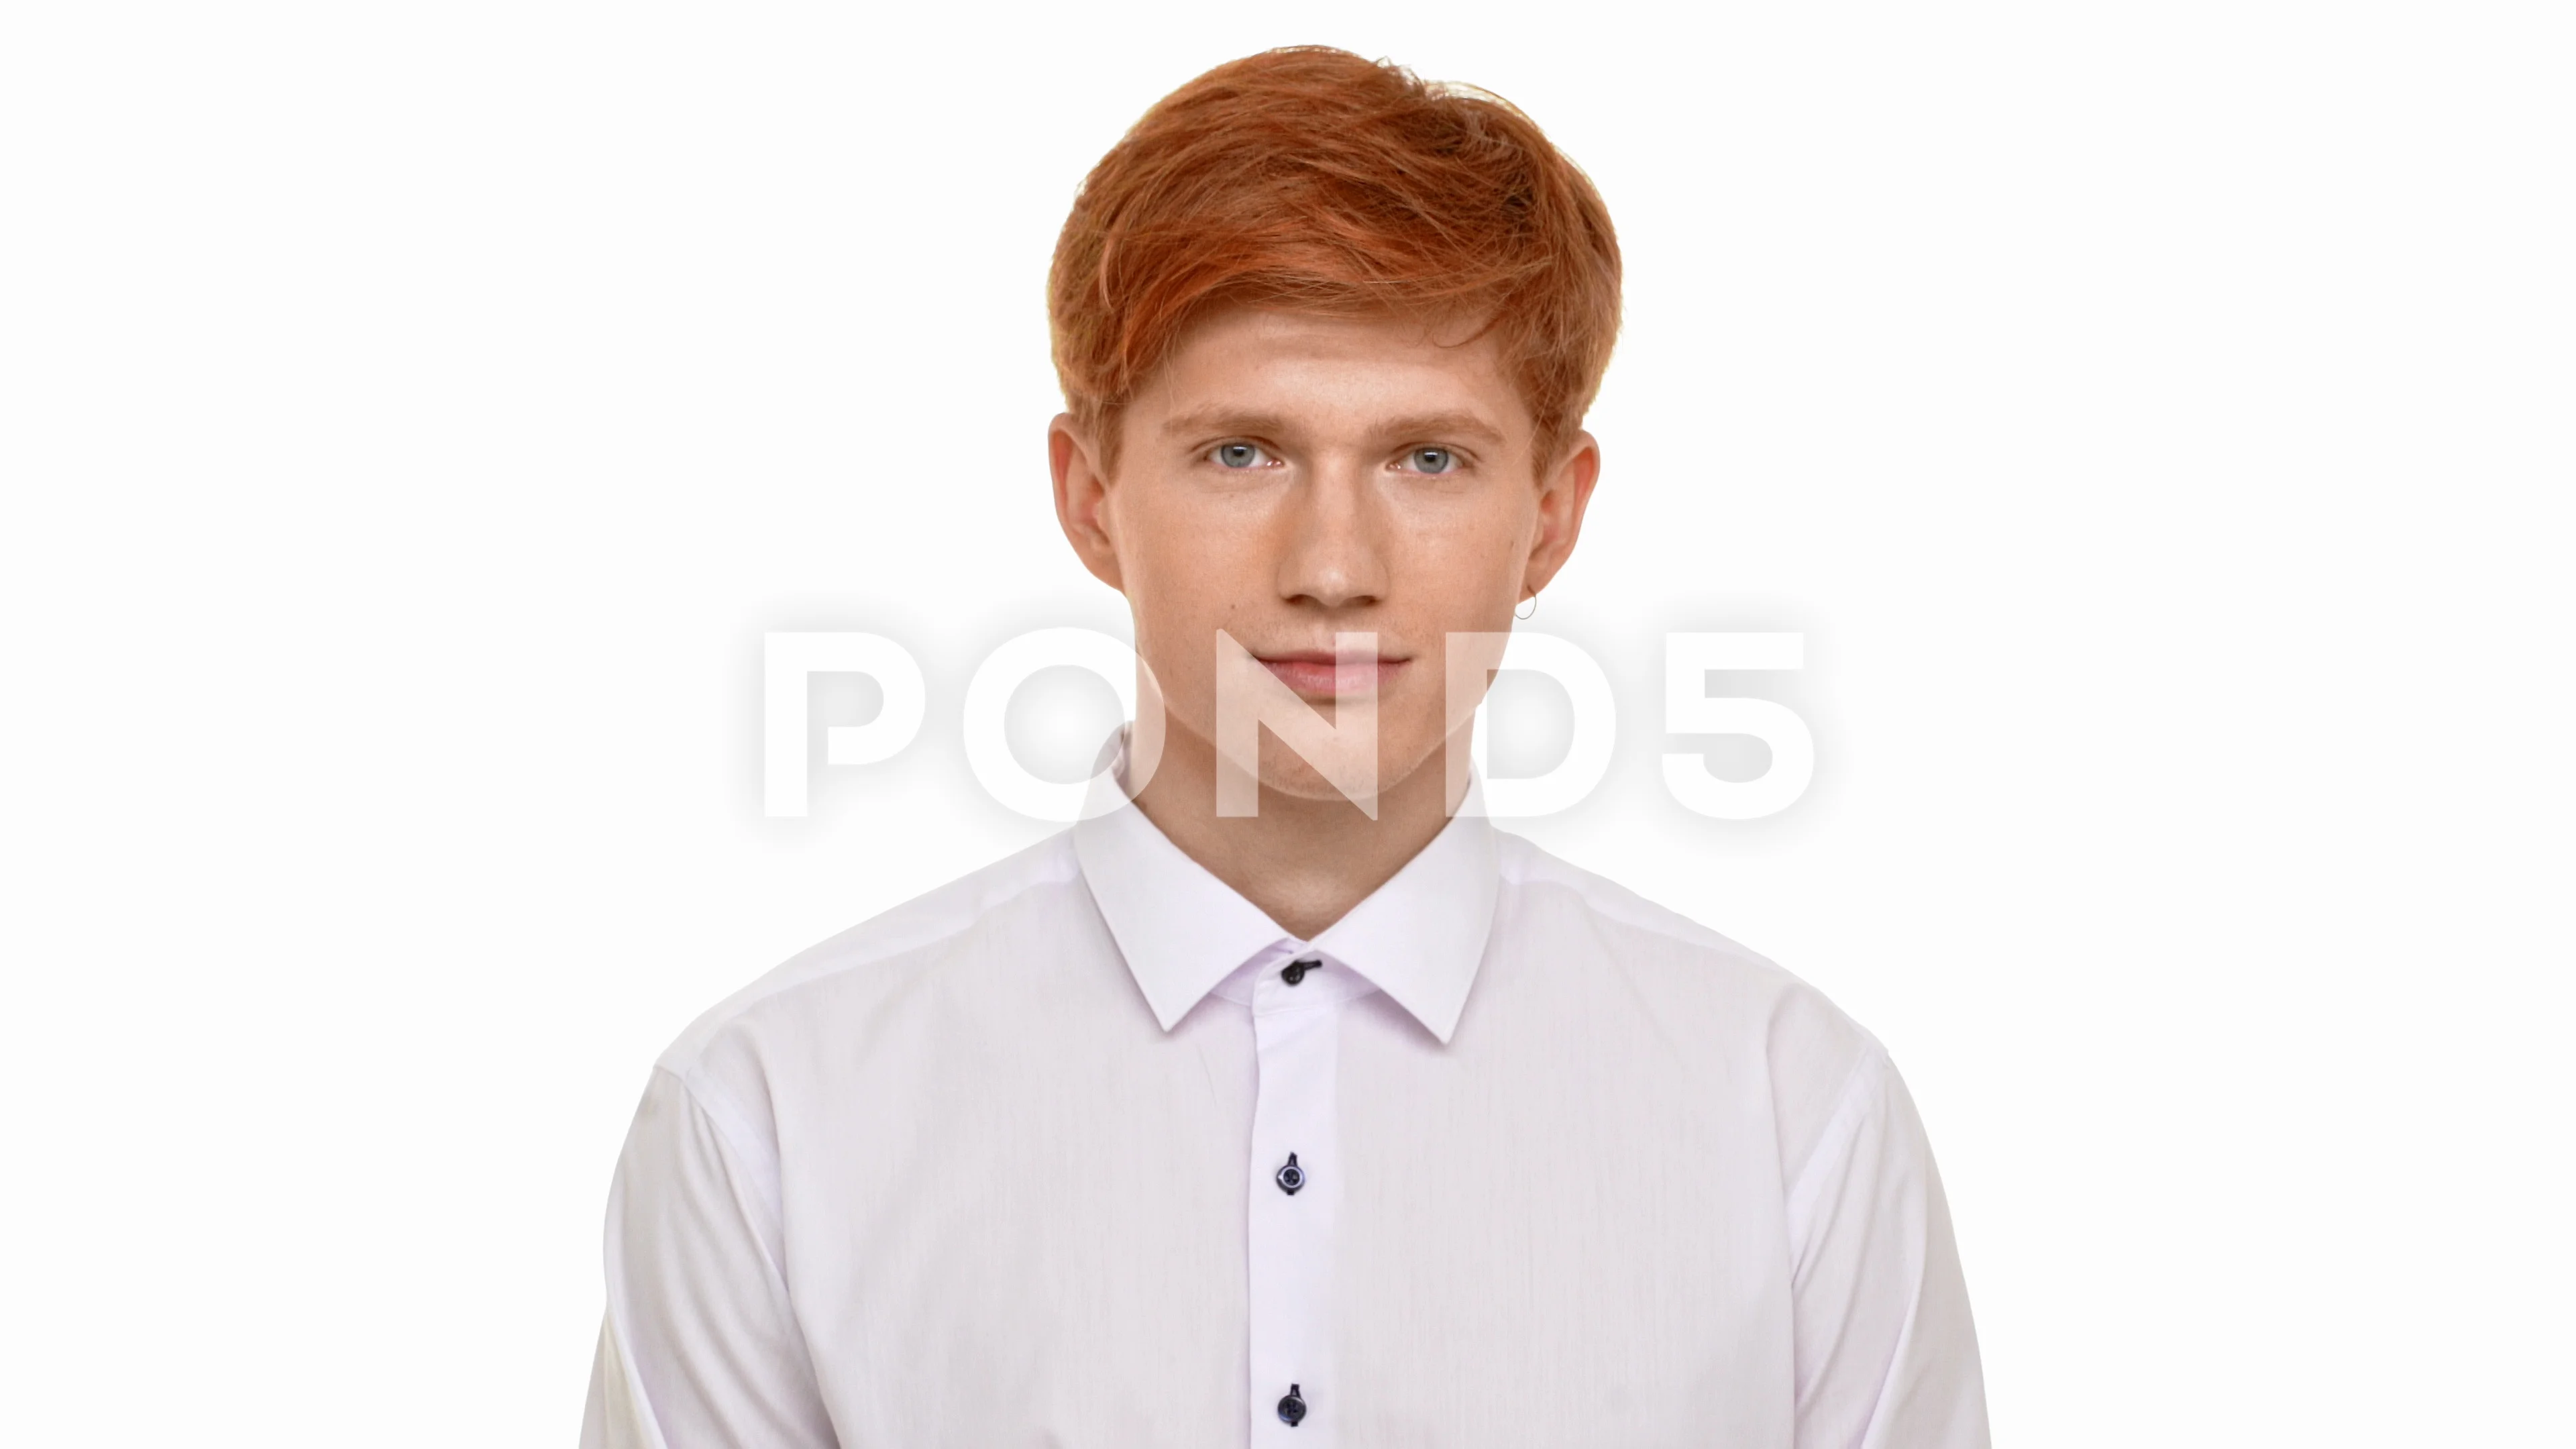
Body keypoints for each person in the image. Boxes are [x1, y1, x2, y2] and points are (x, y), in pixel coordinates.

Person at [581, 45, 1987, 1448]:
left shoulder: (1793, 1110)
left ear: (1551, 518)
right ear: (1088, 501)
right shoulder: (768, 1116)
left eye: (1428, 459)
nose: (1333, 566)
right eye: (1242, 453)